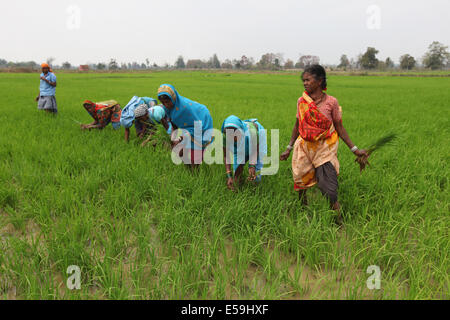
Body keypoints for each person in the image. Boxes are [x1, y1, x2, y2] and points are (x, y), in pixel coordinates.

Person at [280, 64, 368, 224]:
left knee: (328, 186)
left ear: (319, 81)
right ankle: (302, 209)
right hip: (304, 146)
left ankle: (338, 220)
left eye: (308, 80)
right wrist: (289, 147)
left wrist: (355, 149)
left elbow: (339, 127)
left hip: (324, 148)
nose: (305, 83)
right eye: (303, 80)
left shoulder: (331, 102)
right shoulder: (302, 101)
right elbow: (297, 125)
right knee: (300, 179)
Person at [157, 84, 214, 166]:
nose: (166, 105)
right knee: (180, 153)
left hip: (201, 121)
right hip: (189, 127)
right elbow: (173, 124)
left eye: (167, 102)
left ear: (173, 98)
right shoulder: (167, 108)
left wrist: (180, 138)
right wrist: (173, 138)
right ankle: (189, 170)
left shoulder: (185, 108)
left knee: (194, 155)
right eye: (163, 102)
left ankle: (195, 173)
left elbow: (197, 127)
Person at [222, 115, 267, 191]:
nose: (232, 137)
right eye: (229, 134)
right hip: (242, 142)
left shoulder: (251, 133)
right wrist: (229, 176)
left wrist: (252, 165)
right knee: (236, 172)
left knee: (256, 173)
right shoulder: (225, 136)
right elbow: (227, 156)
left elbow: (255, 150)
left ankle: (255, 190)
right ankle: (238, 186)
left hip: (256, 138)